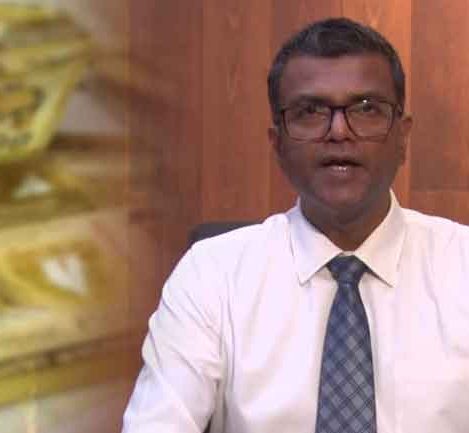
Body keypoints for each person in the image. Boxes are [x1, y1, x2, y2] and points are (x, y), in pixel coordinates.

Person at [122, 17, 469, 433]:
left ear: (403, 137)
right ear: (278, 145)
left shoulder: (462, 267)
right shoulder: (212, 275)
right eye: (310, 112)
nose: (339, 132)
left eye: (366, 109)